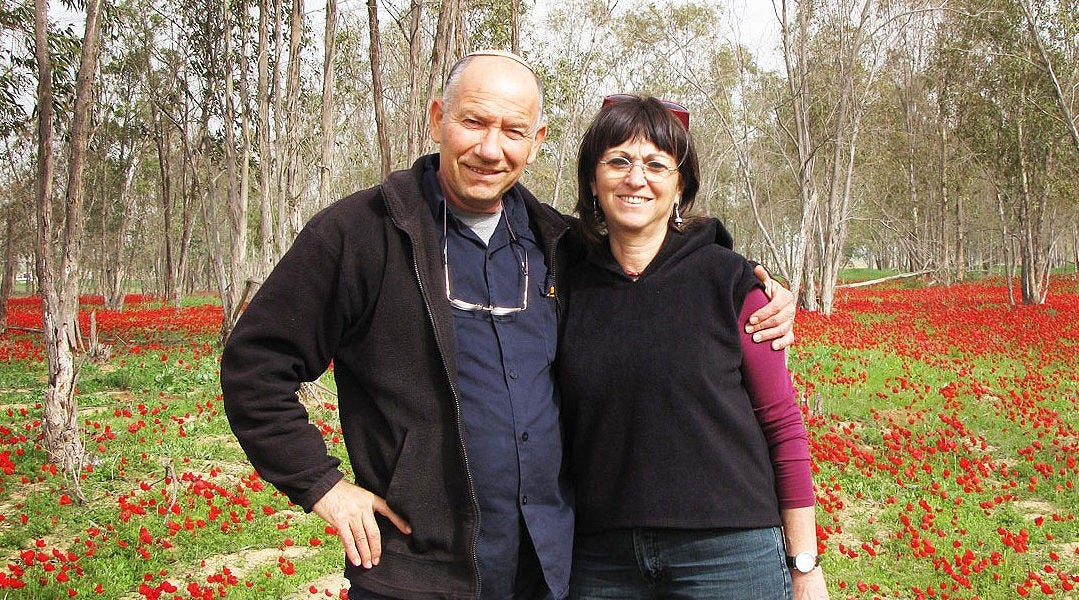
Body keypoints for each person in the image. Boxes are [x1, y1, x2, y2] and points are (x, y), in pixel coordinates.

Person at [220, 52, 795, 600]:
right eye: (474, 122)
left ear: (537, 142)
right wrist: (325, 488)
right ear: (438, 119)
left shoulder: (555, 244)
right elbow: (255, 367)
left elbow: (651, 259)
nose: (491, 149)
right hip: (420, 569)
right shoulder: (362, 234)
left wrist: (748, 281)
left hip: (544, 569)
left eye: (514, 131)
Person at [556, 94, 828, 600]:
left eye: (657, 164)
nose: (636, 179)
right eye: (618, 161)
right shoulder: (562, 282)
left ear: (680, 185)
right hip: (599, 559)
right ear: (592, 181)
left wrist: (805, 564)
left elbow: (782, 423)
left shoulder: (729, 282)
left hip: (729, 555)